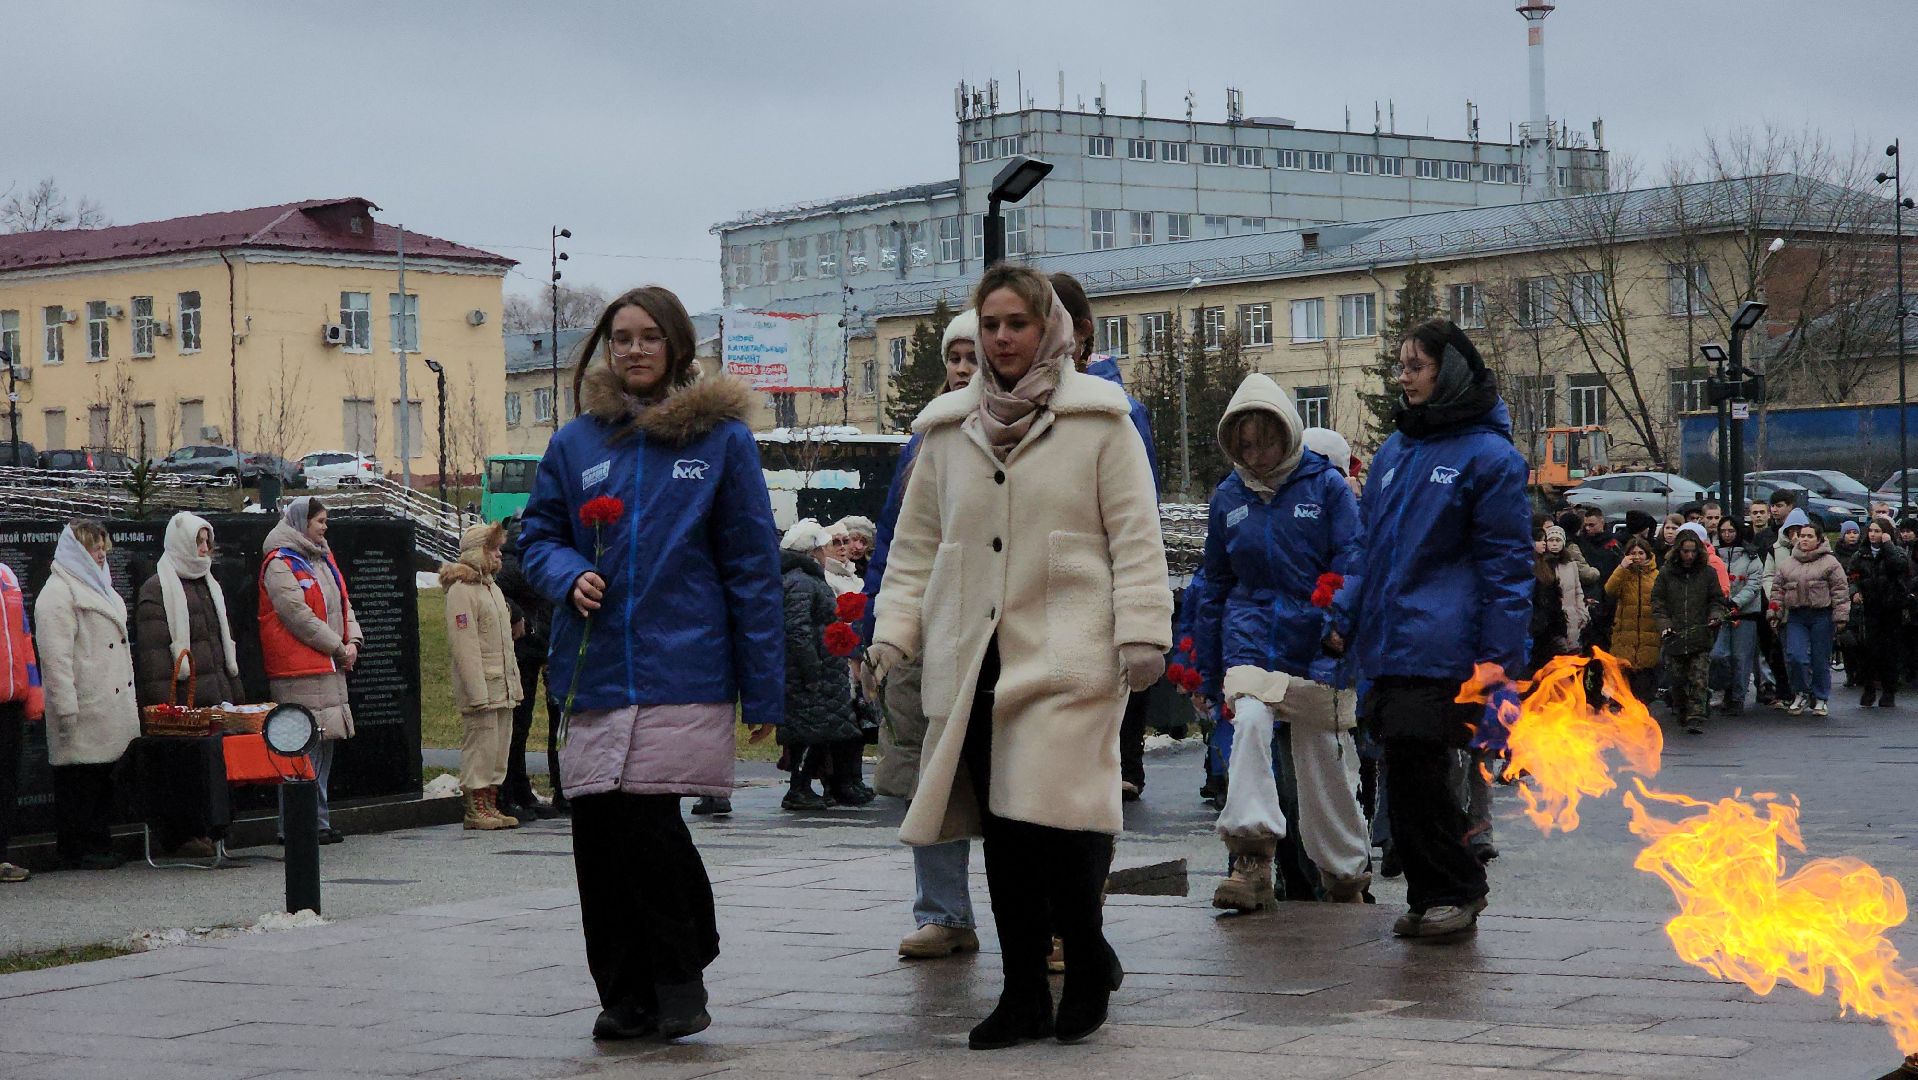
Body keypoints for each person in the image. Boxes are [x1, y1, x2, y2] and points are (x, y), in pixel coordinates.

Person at [869, 265, 1172, 1049]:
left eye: (1018, 324)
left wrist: (1143, 631)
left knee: (1065, 826)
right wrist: (893, 632)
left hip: (1069, 645)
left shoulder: (1102, 420)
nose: (1003, 339)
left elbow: (1137, 536)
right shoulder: (945, 430)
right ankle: (1021, 993)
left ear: (1050, 329)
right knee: (1004, 831)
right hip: (977, 654)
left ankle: (1085, 959)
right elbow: (915, 547)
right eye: (991, 324)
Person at [519, 285, 784, 1042]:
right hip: (594, 669)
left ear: (676, 348)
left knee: (648, 822)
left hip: (683, 667)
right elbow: (535, 534)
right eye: (620, 337)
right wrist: (566, 572)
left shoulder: (722, 442)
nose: (633, 350)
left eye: (648, 337)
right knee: (598, 833)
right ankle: (623, 992)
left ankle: (678, 972)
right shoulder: (576, 444)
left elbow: (751, 567)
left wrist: (765, 689)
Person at [1334, 318, 1530, 941]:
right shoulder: (1395, 451)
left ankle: (1457, 887)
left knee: (1421, 762)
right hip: (1390, 641)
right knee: (1401, 765)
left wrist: (1500, 657)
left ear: (1448, 372)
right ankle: (1429, 893)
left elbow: (1507, 566)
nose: (1404, 377)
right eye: (1400, 366)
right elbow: (1366, 549)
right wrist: (1344, 616)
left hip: (1446, 645)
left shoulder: (1491, 457)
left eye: (1415, 366)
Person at [1192, 374, 1370, 912]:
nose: (1255, 453)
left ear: (1287, 433)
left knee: (1321, 757)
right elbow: (1215, 583)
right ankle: (1251, 857)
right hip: (1249, 635)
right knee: (1247, 722)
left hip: (1314, 637)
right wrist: (1205, 669)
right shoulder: (1228, 496)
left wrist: (1336, 633)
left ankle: (1343, 871)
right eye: (1243, 444)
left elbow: (1353, 563)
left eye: (1263, 440)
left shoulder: (1328, 487)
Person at [867, 307, 982, 961]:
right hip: (933, 633)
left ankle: (1051, 918)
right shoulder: (926, 439)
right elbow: (896, 544)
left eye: (976, 358)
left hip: (1004, 631)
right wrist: (879, 631)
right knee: (931, 775)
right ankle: (943, 913)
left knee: (1022, 779)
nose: (964, 369)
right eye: (956, 358)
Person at [1050, 272, 1161, 804]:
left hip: (1098, 567)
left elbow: (1138, 509)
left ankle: (1123, 760)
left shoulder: (1116, 408)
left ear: (1082, 332)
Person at [135, 512, 244, 856]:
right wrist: (167, 705)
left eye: (207, 541)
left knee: (218, 768)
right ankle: (184, 836)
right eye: (198, 542)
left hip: (216, 700)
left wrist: (234, 695)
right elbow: (155, 657)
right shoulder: (158, 589)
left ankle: (212, 832)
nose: (204, 549)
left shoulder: (210, 584)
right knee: (185, 772)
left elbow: (219, 644)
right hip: (183, 703)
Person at [37, 520, 138, 869]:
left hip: (106, 703)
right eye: (94, 547)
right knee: (79, 781)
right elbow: (56, 659)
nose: (101, 554)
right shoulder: (57, 594)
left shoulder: (100, 587)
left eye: (102, 547)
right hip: (84, 703)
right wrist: (65, 708)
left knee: (100, 781)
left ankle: (98, 842)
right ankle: (79, 847)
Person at [260, 497, 360, 845]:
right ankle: (295, 824)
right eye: (319, 521)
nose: (324, 527)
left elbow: (343, 604)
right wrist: (338, 646)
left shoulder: (322, 559)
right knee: (300, 749)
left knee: (324, 746)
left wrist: (354, 642)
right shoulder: (279, 563)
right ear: (302, 523)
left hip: (328, 666)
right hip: (298, 671)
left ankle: (318, 820)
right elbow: (297, 617)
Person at [440, 521, 525, 830]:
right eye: (493, 549)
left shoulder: (492, 588)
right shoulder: (462, 591)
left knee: (499, 748)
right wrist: (476, 692)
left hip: (503, 685)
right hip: (483, 687)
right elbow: (465, 646)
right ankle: (475, 807)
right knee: (481, 746)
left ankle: (491, 801)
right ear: (478, 552)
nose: (499, 555)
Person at [778, 518, 867, 810]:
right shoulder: (801, 581)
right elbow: (798, 629)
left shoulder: (807, 579)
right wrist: (812, 668)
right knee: (809, 732)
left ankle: (816, 785)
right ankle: (798, 787)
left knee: (820, 730)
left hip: (823, 669)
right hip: (811, 672)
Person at [495, 517, 563, 821]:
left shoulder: (530, 562)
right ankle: (511, 791)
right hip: (524, 651)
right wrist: (522, 616)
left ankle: (522, 791)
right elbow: (499, 597)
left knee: (526, 726)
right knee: (518, 726)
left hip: (538, 649)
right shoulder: (514, 565)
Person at [1768, 509, 1850, 717]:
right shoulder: (1788, 564)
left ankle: (1821, 698)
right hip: (1796, 616)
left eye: (1809, 536)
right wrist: (1774, 613)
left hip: (1821, 616)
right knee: (1795, 656)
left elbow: (1840, 591)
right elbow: (1777, 590)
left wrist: (1841, 617)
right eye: (1802, 536)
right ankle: (1800, 693)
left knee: (1820, 659)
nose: (1804, 539)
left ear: (1819, 540)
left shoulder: (1830, 563)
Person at [1653, 526, 1728, 735]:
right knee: (1676, 677)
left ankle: (1696, 714)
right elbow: (1658, 603)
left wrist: (1715, 616)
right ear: (1678, 551)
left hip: (1699, 633)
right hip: (1674, 635)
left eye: (1693, 551)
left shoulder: (1707, 573)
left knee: (1699, 677)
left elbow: (1716, 600)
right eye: (1685, 551)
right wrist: (1665, 625)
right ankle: (1682, 707)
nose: (1689, 555)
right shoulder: (1666, 573)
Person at [0, 560, 43, 883]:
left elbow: (25, 640)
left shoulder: (7, 575)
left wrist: (34, 693)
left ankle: (1, 855)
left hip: (11, 699)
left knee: (7, 780)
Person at [1849, 517, 1910, 708]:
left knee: (1889, 651)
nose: (1873, 535)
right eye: (1871, 531)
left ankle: (1889, 690)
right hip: (1870, 608)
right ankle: (1868, 689)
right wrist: (1855, 591)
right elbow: (1853, 576)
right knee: (1869, 650)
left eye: (1877, 531)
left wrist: (1888, 545)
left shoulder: (1896, 552)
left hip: (1891, 607)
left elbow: (1899, 567)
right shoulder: (1861, 555)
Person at [1709, 519, 1765, 716]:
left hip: (1745, 613)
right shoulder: (1713, 555)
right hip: (1720, 614)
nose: (1727, 535)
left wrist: (1736, 602)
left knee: (1741, 658)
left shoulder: (1751, 556)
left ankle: (1737, 698)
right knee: (1718, 655)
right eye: (1723, 531)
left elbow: (1754, 584)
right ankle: (1721, 688)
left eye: (1731, 530)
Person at [1604, 537, 1662, 705]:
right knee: (1625, 676)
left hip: (1648, 633)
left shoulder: (1656, 576)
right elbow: (1609, 589)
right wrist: (1621, 568)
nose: (1637, 557)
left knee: (1644, 680)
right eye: (1633, 553)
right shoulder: (1624, 574)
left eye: (1641, 553)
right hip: (1625, 633)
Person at [1539, 525, 1597, 654]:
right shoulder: (1541, 565)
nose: (1554, 544)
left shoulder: (1571, 565)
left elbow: (1578, 591)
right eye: (1551, 540)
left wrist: (1583, 613)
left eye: (1558, 540)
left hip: (1572, 619)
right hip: (1551, 621)